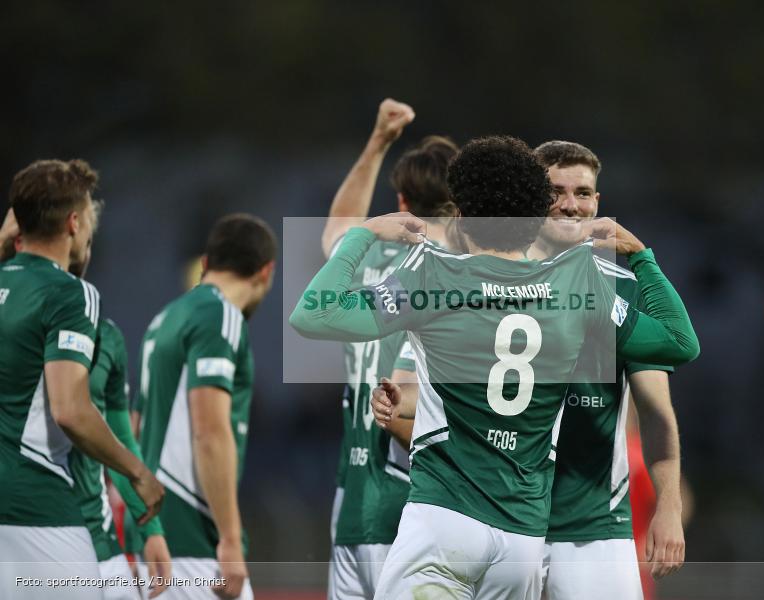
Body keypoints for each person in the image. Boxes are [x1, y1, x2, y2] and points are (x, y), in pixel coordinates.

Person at [291, 136, 699, 600]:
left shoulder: (433, 277)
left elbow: (312, 314)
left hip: (445, 520)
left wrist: (362, 236)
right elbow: (681, 343)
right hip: (521, 536)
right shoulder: (579, 286)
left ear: (462, 217)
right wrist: (643, 258)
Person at [527, 141, 685, 600]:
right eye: (555, 191)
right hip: (505, 524)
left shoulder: (625, 290)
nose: (570, 204)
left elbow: (656, 411)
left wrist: (668, 507)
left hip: (596, 529)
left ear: (598, 202)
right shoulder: (493, 278)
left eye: (584, 192)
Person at [0, 159, 164, 599]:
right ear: (74, 222)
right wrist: (137, 473)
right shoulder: (70, 293)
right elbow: (70, 409)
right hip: (40, 509)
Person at [320, 98, 459, 599]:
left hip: (352, 501)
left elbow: (338, 226)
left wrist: (378, 140)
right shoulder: (458, 271)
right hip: (413, 498)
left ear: (401, 200)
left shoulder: (366, 255)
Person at [136, 213, 277, 599]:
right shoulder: (220, 317)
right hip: (196, 540)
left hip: (155, 540)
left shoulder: (163, 319)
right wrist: (231, 540)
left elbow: (134, 426)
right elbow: (210, 430)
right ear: (266, 272)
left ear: (205, 264)